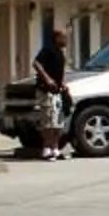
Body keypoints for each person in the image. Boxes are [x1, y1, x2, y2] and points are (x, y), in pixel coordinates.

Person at [33, 26, 72, 161]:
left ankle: (56, 149)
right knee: (48, 120)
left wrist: (62, 85)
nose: (66, 40)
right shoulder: (48, 49)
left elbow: (59, 71)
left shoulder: (60, 52)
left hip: (57, 91)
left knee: (58, 121)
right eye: (64, 37)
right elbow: (36, 64)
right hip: (46, 91)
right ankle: (46, 149)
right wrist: (47, 79)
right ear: (57, 38)